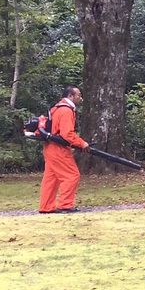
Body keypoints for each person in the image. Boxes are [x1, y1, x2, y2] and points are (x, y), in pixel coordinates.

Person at [38, 85, 90, 214]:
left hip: (49, 147)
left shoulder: (56, 108)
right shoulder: (66, 110)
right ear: (70, 96)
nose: (80, 98)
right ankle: (65, 205)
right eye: (78, 95)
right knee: (71, 175)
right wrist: (82, 143)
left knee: (51, 178)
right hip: (59, 148)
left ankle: (46, 207)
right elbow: (67, 134)